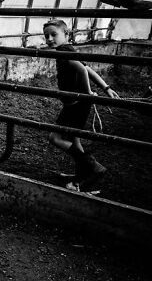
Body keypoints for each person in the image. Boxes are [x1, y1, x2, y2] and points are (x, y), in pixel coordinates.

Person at [43, 19, 121, 192]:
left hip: (75, 103)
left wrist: (86, 92)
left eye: (54, 34)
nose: (49, 38)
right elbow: (88, 68)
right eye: (46, 35)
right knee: (74, 139)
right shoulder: (68, 49)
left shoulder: (64, 51)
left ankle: (94, 167)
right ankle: (81, 176)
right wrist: (105, 87)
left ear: (66, 34)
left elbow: (83, 70)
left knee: (54, 138)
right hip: (77, 102)